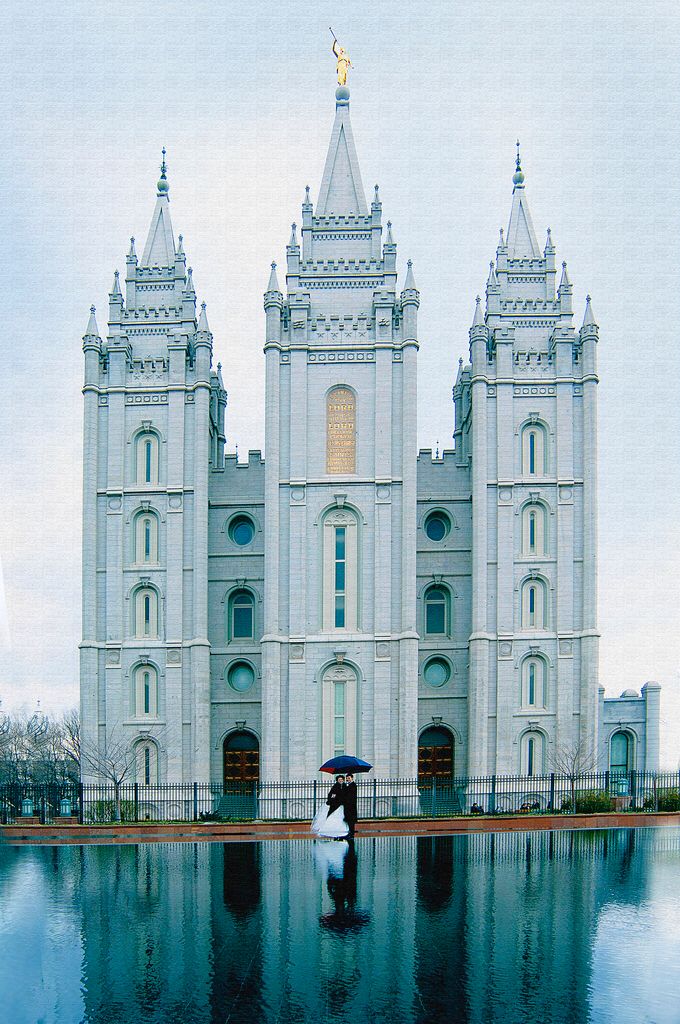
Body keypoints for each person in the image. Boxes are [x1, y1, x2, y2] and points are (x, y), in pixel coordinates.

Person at [342, 773, 358, 837]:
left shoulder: (353, 785)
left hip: (351, 805)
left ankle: (351, 832)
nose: (348, 779)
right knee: (349, 819)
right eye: (347, 778)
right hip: (348, 805)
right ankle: (350, 832)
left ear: (352, 778)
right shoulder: (349, 785)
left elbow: (351, 796)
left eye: (349, 778)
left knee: (351, 820)